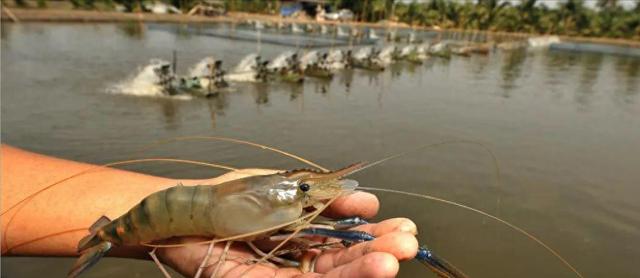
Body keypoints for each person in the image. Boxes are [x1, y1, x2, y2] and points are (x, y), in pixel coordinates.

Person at [1, 145, 419, 277]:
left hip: (172, 213)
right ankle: (105, 238)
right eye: (303, 186)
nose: (308, 193)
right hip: (158, 216)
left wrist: (304, 191)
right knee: (357, 234)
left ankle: (107, 236)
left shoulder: (285, 198)